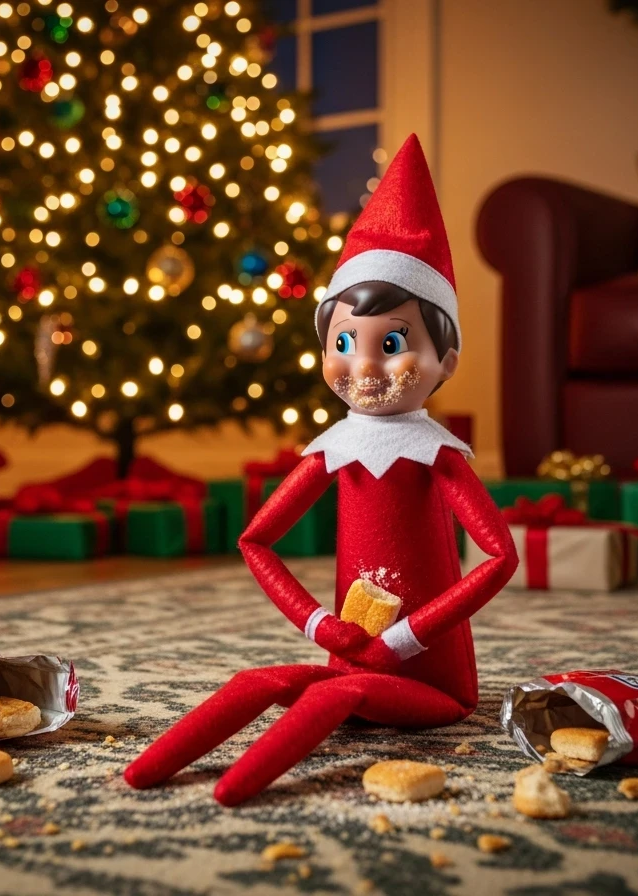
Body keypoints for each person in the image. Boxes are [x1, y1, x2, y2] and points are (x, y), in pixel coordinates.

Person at [125, 135, 517, 806]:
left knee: (344, 692)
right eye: (343, 343)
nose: (363, 367)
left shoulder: (434, 454)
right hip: (347, 653)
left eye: (390, 344)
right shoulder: (334, 447)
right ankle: (140, 774)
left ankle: (233, 794)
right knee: (261, 681)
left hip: (431, 682)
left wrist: (404, 636)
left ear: (445, 362)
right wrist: (316, 624)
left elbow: (499, 555)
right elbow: (255, 540)